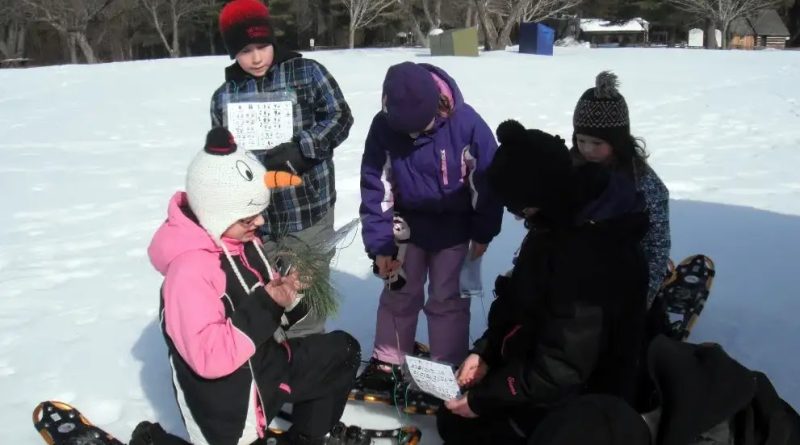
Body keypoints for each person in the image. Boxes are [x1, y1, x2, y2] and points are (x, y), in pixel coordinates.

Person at [436, 120, 650, 444]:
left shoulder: (591, 253)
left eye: (519, 209)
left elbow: (563, 367)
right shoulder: (554, 223)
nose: (519, 218)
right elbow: (518, 302)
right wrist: (486, 353)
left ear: (537, 198)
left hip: (587, 396)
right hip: (541, 368)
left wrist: (487, 398)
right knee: (454, 417)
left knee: (466, 426)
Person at [147, 127, 360, 445]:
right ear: (215, 215)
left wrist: (290, 295)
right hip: (231, 408)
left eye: (260, 214)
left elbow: (267, 315)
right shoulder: (189, 274)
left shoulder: (241, 242)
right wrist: (268, 304)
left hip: (268, 367)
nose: (259, 223)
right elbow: (211, 357)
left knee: (341, 353)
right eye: (249, 218)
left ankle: (307, 437)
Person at [357, 62, 503, 394]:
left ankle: (447, 362)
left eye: (420, 128)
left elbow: (487, 182)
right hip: (405, 228)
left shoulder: (466, 124)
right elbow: (375, 187)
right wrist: (381, 246)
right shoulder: (383, 128)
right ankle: (388, 361)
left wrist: (483, 232)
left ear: (438, 105)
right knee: (399, 292)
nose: (412, 137)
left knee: (447, 297)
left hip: (454, 227)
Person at [210, 0, 354, 337]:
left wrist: (303, 149)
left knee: (304, 304)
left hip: (308, 213)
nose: (256, 57)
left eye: (262, 46)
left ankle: (309, 376)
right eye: (245, 50)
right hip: (256, 224)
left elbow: (340, 117)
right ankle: (274, 375)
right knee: (266, 302)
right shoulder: (225, 96)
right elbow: (220, 156)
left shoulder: (307, 72)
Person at [571, 71, 670, 306]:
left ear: (617, 141)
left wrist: (645, 295)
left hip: (625, 272)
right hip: (574, 269)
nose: (587, 149)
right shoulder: (571, 168)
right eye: (581, 140)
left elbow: (657, 243)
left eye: (597, 143)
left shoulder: (641, 182)